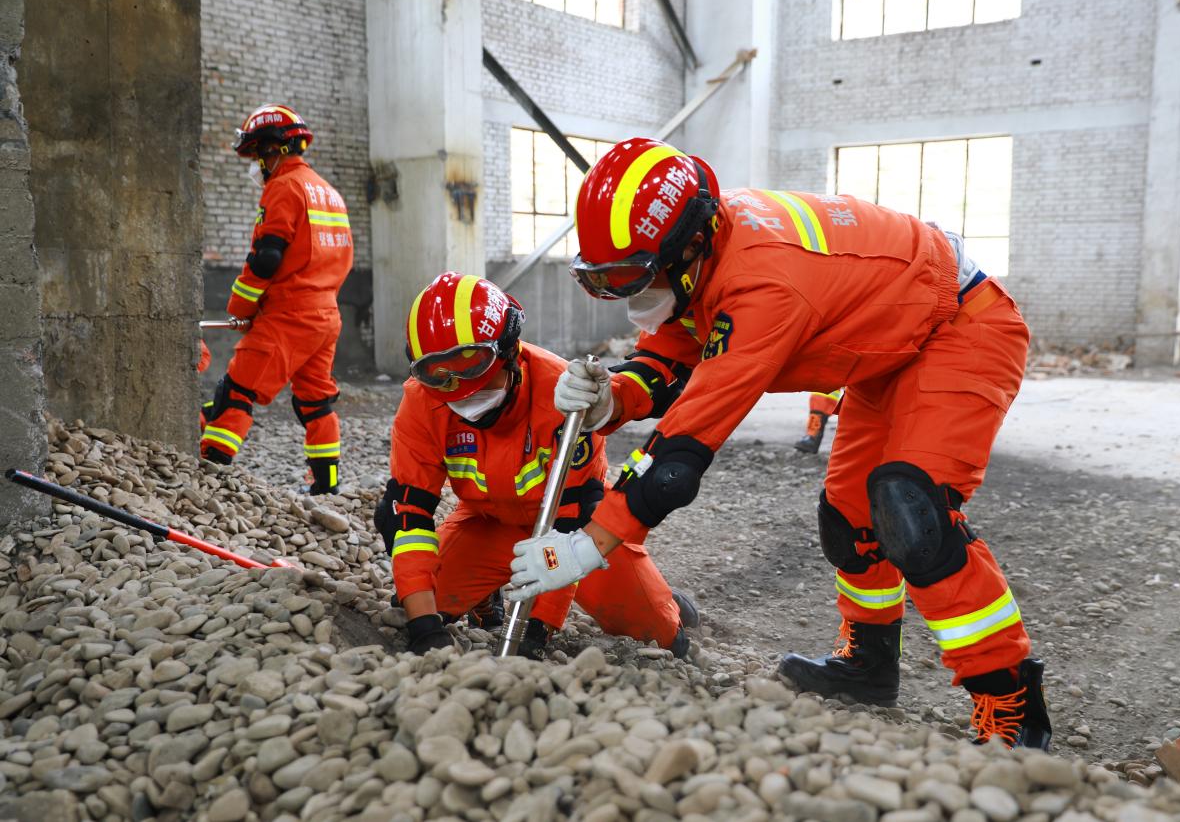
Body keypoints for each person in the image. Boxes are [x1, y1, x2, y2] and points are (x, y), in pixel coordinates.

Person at [506, 137, 1052, 749]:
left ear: (690, 243)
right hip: (887, 348)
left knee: (912, 511)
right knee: (849, 517)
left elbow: (680, 454)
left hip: (958, 325)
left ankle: (1011, 706)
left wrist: (589, 546)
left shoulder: (763, 282)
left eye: (635, 277)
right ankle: (870, 665)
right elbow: (675, 351)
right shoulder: (704, 247)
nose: (631, 296)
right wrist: (613, 397)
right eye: (605, 281)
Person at [374, 271, 698, 659]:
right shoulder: (423, 402)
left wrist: (536, 631)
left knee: (663, 638)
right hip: (485, 525)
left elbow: (571, 519)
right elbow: (408, 514)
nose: (459, 388)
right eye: (437, 373)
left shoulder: (565, 395)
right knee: (414, 602)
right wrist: (423, 628)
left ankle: (668, 601)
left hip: (575, 537)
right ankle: (484, 598)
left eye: (472, 365)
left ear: (508, 351)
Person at [200, 103, 352, 495]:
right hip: (326, 316)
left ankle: (208, 477)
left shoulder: (284, 186)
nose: (255, 166)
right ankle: (326, 484)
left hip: (289, 315)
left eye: (256, 155)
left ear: (275, 149)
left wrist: (240, 308)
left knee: (236, 391)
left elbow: (268, 257)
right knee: (314, 402)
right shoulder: (329, 193)